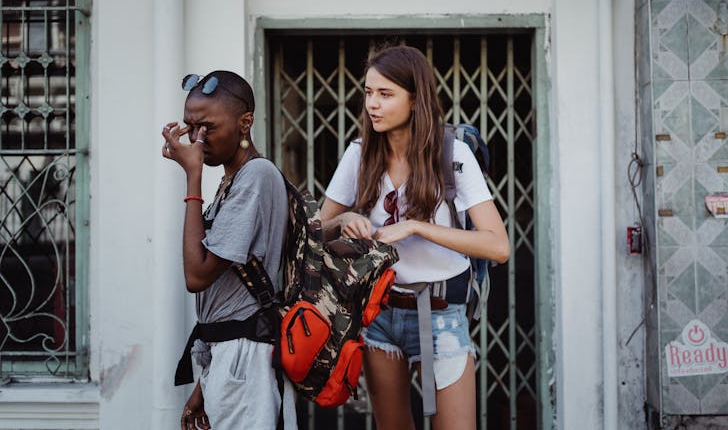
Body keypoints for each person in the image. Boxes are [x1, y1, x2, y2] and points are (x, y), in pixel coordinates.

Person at [320, 46, 510, 430]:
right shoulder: (358, 154)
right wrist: (346, 220)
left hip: (441, 313)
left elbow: (498, 246)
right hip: (379, 314)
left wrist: (417, 226)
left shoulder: (452, 154)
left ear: (415, 99)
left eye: (385, 94)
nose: (373, 104)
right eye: (368, 92)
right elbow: (317, 231)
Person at [161, 71, 297, 430]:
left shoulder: (257, 176)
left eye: (206, 127)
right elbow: (226, 292)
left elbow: (197, 275)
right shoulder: (232, 179)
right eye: (191, 128)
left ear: (245, 123)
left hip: (245, 357)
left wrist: (192, 177)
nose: (196, 139)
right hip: (229, 355)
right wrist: (203, 385)